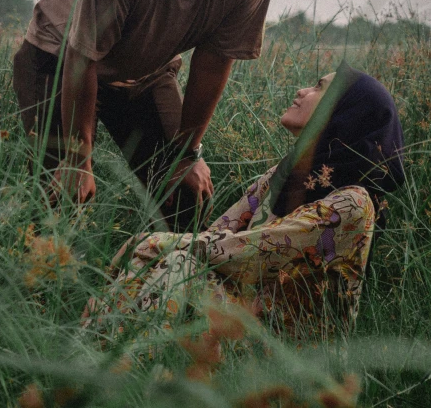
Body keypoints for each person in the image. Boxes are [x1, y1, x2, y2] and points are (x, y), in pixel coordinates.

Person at [13, 0, 273, 229]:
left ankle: (162, 283)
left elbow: (212, 64)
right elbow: (81, 59)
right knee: (63, 193)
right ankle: (47, 281)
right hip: (58, 58)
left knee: (185, 193)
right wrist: (78, 157)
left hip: (143, 72)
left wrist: (187, 153)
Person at [83, 64, 404, 337]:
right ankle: (97, 358)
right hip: (240, 315)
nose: (303, 90)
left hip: (291, 348)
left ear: (344, 112)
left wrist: (152, 242)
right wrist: (148, 247)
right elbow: (217, 234)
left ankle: (112, 367)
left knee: (176, 263)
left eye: (319, 87)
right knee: (166, 261)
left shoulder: (355, 203)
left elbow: (248, 252)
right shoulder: (282, 175)